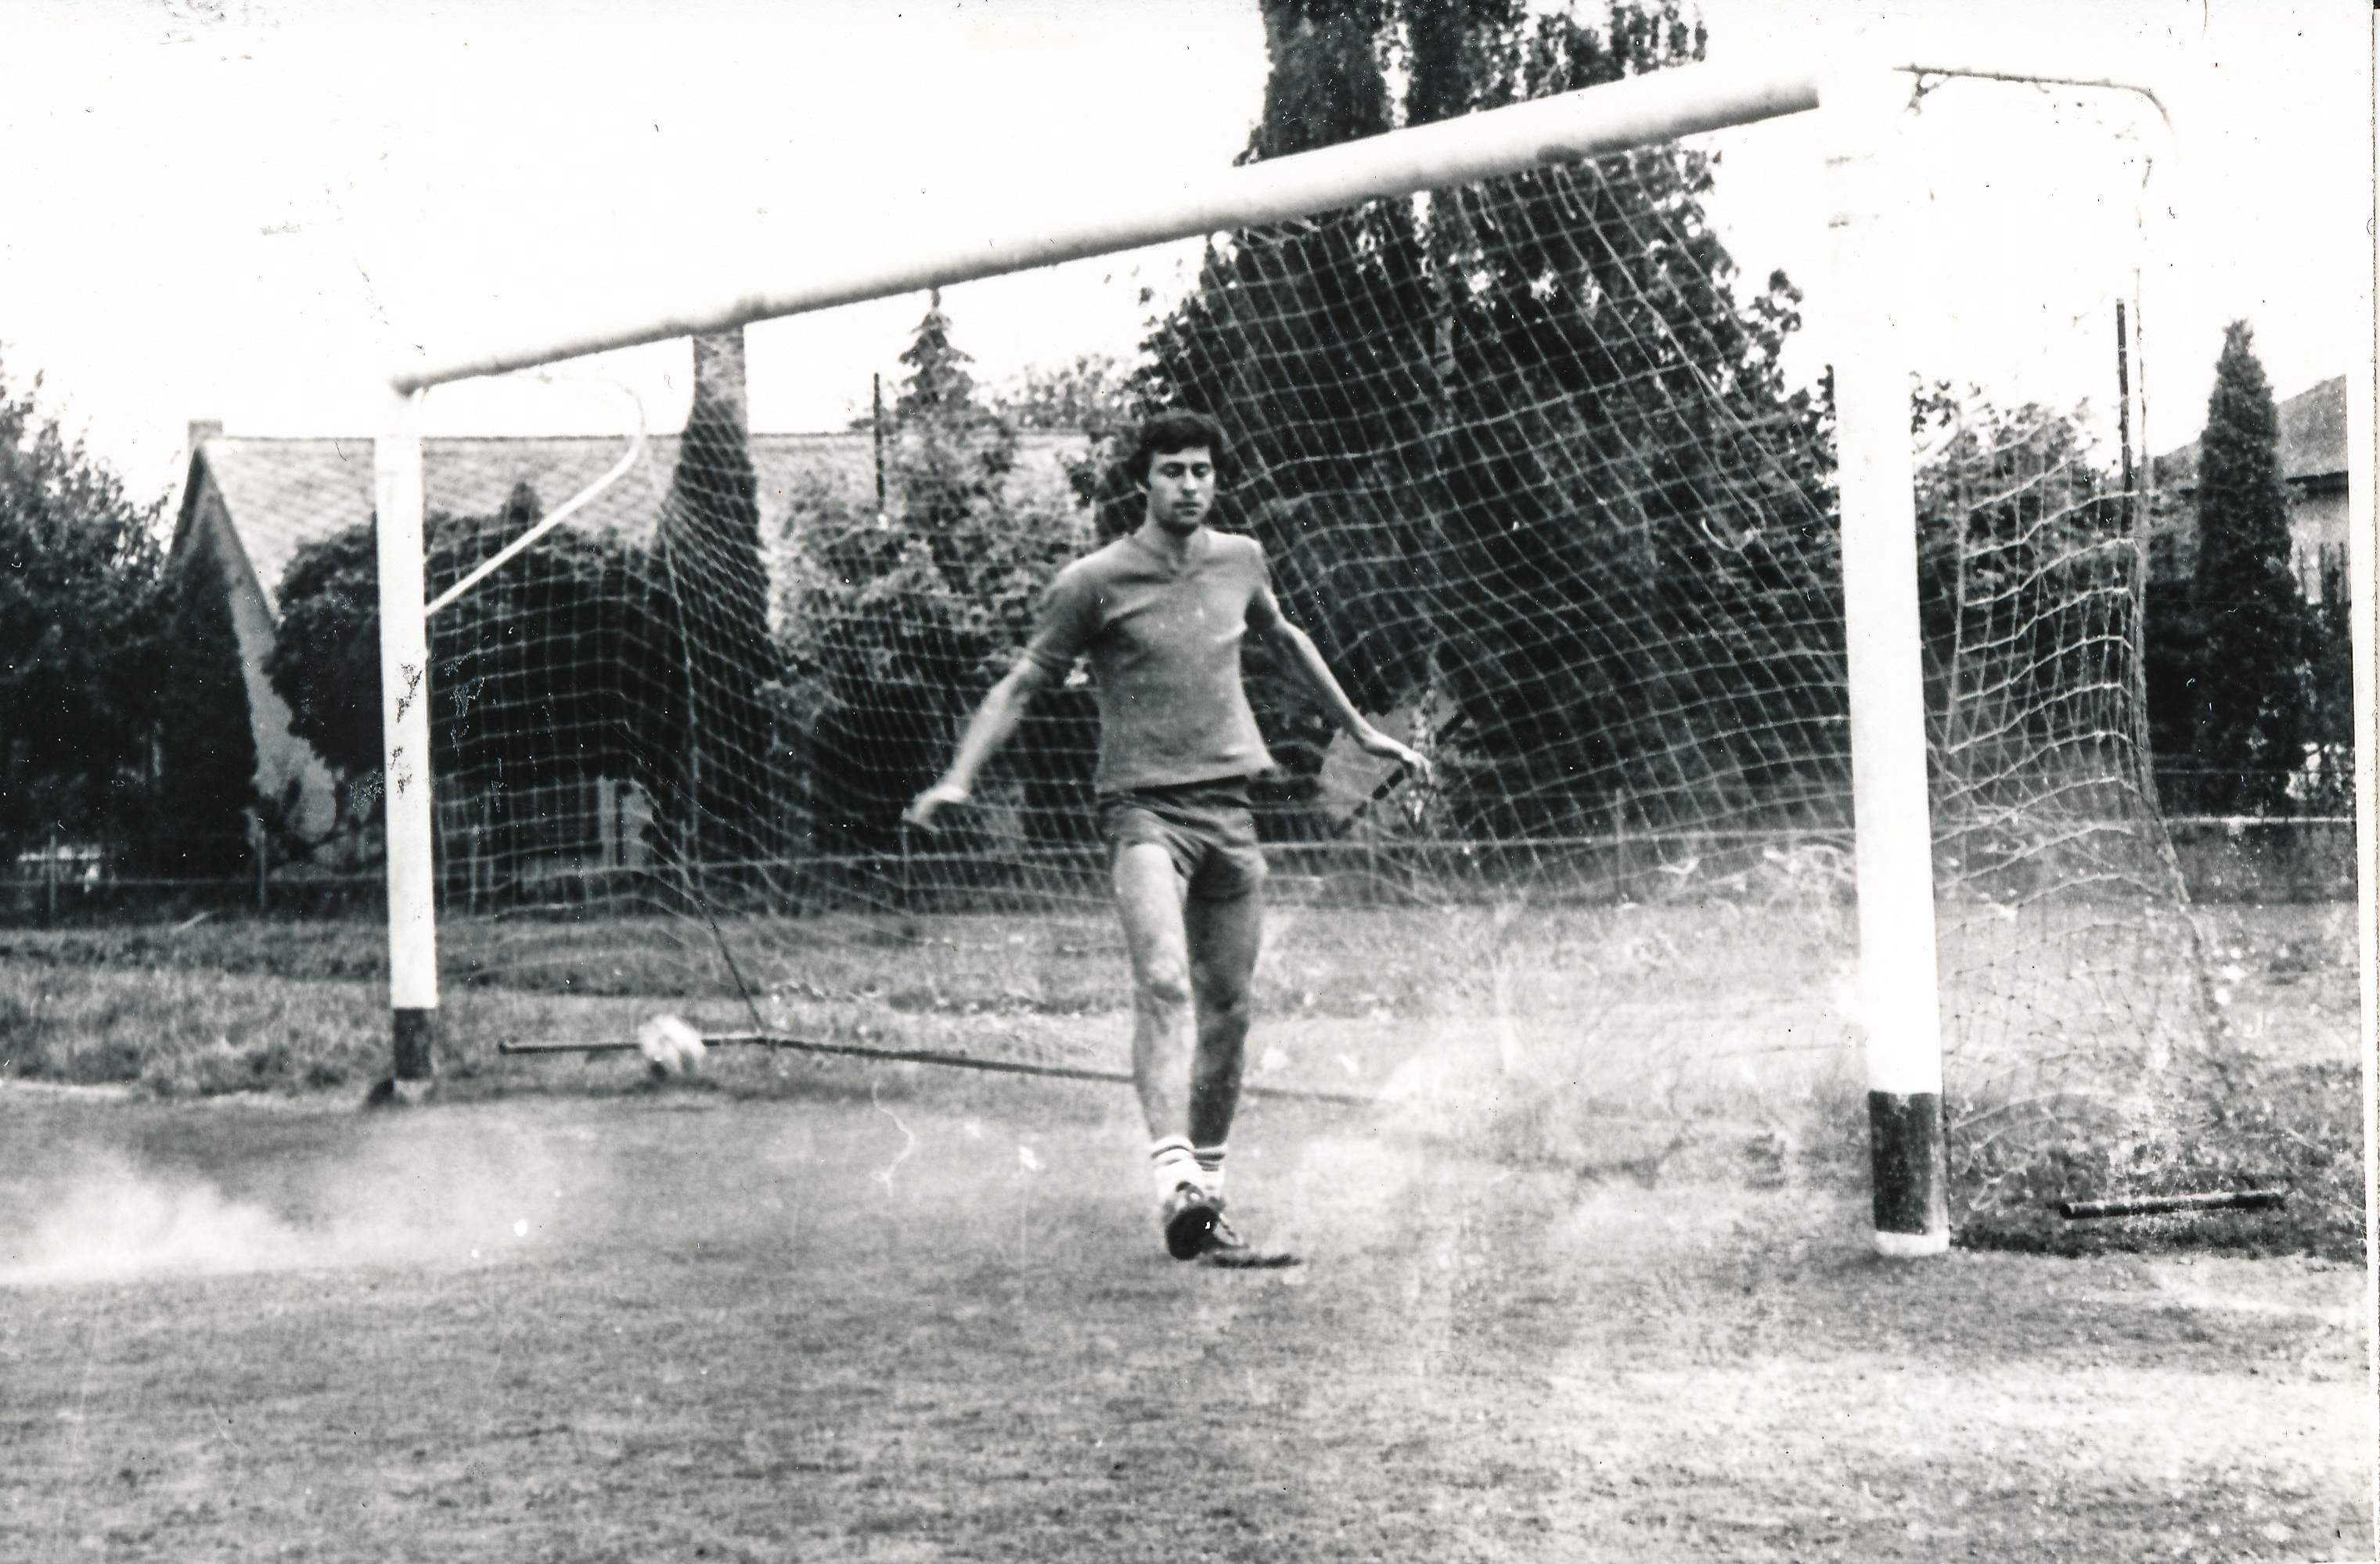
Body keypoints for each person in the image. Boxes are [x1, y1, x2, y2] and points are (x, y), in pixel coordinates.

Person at [904, 410, 1428, 1264]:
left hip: (1230, 810)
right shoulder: (1094, 581)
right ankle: (1173, 1179)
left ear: (1216, 479)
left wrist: (1361, 730)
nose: (1189, 485)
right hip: (1142, 812)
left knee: (1230, 1009)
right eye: (1172, 470)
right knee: (1161, 981)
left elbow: (1284, 637)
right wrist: (959, 775)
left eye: (1201, 470)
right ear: (1142, 481)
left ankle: (1206, 1202)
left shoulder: (1241, 559)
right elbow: (1021, 684)